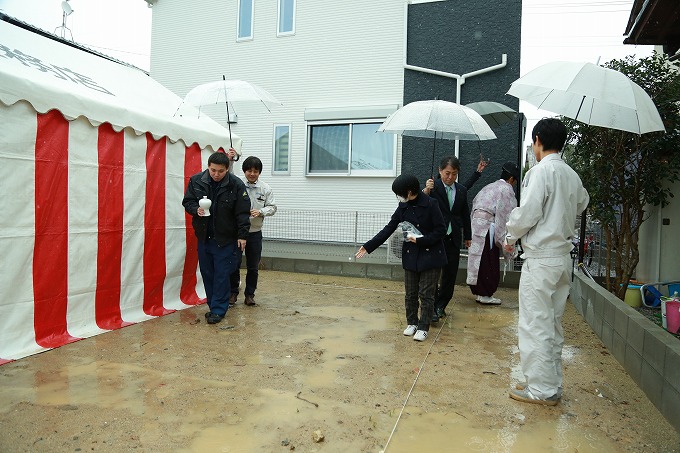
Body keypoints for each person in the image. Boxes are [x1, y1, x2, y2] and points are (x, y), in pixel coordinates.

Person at [503, 118, 589, 406]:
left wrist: (510, 235)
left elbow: (527, 214)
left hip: (541, 259)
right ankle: (551, 385)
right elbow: (582, 203)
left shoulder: (540, 172)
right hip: (562, 258)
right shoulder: (571, 175)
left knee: (535, 324)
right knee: (552, 324)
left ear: (538, 139)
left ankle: (540, 389)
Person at [355, 174, 447, 342]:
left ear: (410, 191)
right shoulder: (402, 207)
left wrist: (420, 239)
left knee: (426, 294)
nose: (398, 197)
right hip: (411, 256)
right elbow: (388, 229)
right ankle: (412, 322)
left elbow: (441, 230)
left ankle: (423, 327)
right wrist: (368, 246)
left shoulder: (431, 204)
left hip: (431, 256)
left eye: (399, 193)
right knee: (410, 293)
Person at [182, 151, 251, 324]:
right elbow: (187, 201)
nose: (216, 174)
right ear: (208, 166)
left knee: (221, 274)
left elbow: (242, 212)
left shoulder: (235, 185)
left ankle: (219, 309)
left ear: (227, 169)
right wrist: (194, 210)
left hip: (226, 237)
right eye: (213, 170)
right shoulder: (196, 180)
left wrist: (242, 235)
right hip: (204, 236)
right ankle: (214, 306)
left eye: (220, 171)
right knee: (207, 273)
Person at [423, 156, 472, 323]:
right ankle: (430, 307)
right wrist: (426, 191)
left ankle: (440, 306)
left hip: (454, 237)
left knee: (450, 275)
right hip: (437, 237)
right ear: (440, 171)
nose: (450, 177)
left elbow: (465, 214)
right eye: (447, 173)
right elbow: (421, 205)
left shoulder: (462, 190)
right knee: (433, 274)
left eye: (454, 174)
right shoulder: (433, 186)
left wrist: (469, 236)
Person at [466, 162, 519, 305]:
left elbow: (475, 202)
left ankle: (479, 292)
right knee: (488, 259)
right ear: (512, 179)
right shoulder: (506, 189)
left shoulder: (489, 186)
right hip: (489, 226)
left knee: (479, 258)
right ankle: (485, 293)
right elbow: (506, 214)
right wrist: (505, 239)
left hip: (475, 224)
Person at [229, 156, 277, 306]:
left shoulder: (265, 188)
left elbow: (273, 207)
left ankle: (250, 294)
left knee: (253, 266)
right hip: (236, 233)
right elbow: (228, 174)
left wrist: (261, 211)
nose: (252, 174)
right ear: (244, 171)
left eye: (255, 171)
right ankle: (233, 293)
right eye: (249, 170)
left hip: (255, 232)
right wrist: (230, 160)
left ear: (259, 172)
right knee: (234, 264)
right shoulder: (237, 184)